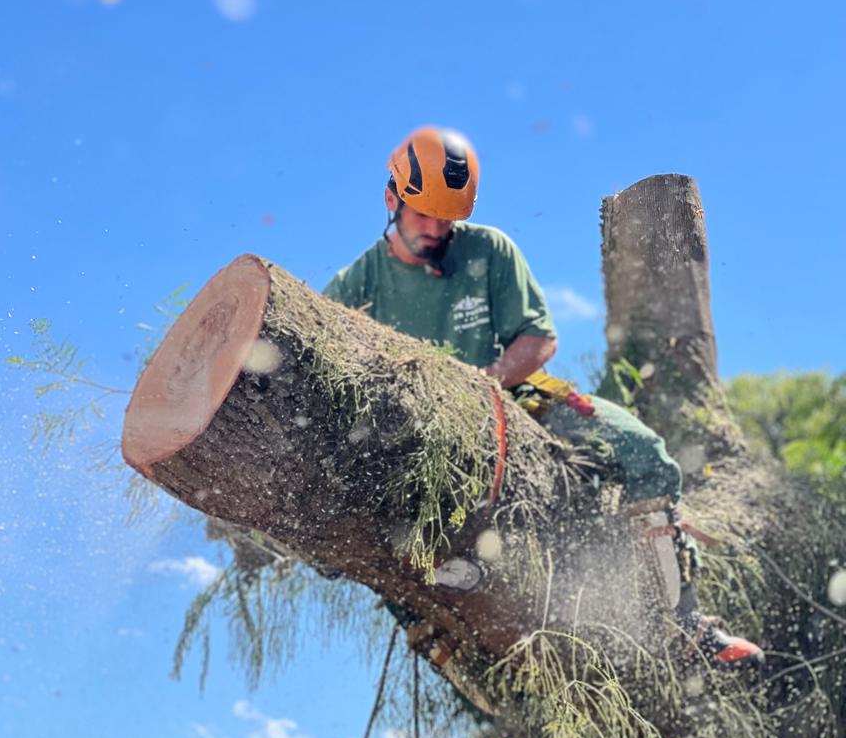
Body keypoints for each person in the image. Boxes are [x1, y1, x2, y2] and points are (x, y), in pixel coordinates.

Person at [323, 125, 763, 675]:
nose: (435, 229)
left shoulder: (487, 251)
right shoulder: (354, 288)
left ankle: (684, 626)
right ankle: (453, 650)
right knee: (363, 520)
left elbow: (538, 340)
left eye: (446, 219)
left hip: (512, 396)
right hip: (412, 439)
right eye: (424, 215)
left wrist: (480, 384)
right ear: (392, 198)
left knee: (641, 450)